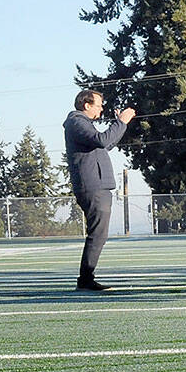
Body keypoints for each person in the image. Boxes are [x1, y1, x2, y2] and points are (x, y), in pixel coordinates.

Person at [63, 89, 135, 291]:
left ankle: (86, 279)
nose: (101, 108)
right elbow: (102, 140)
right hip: (93, 186)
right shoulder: (76, 121)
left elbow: (107, 144)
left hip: (98, 186)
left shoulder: (82, 123)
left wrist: (121, 125)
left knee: (99, 234)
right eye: (98, 105)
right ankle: (85, 280)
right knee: (98, 234)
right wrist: (120, 122)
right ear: (86, 105)